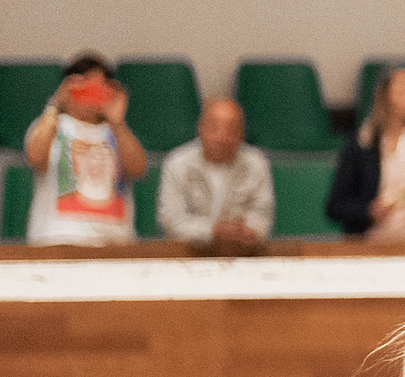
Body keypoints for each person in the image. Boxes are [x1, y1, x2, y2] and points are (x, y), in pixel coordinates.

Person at [21, 54, 146, 245]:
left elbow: (138, 169)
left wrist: (118, 123)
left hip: (115, 246)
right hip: (59, 242)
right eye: (87, 86)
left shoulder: (117, 131)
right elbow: (34, 157)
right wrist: (55, 105)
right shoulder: (52, 125)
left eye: (101, 87)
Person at [327, 67, 405, 241]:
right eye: (402, 89)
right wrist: (368, 211)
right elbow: (335, 206)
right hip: (370, 244)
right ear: (384, 94)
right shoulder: (362, 143)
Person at [157, 98, 274, 248]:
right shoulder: (177, 163)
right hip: (188, 254)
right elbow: (171, 220)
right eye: (214, 128)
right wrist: (213, 232)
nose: (222, 137)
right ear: (200, 128)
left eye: (231, 130)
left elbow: (262, 216)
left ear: (242, 134)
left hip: (243, 253)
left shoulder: (256, 163)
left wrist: (247, 232)